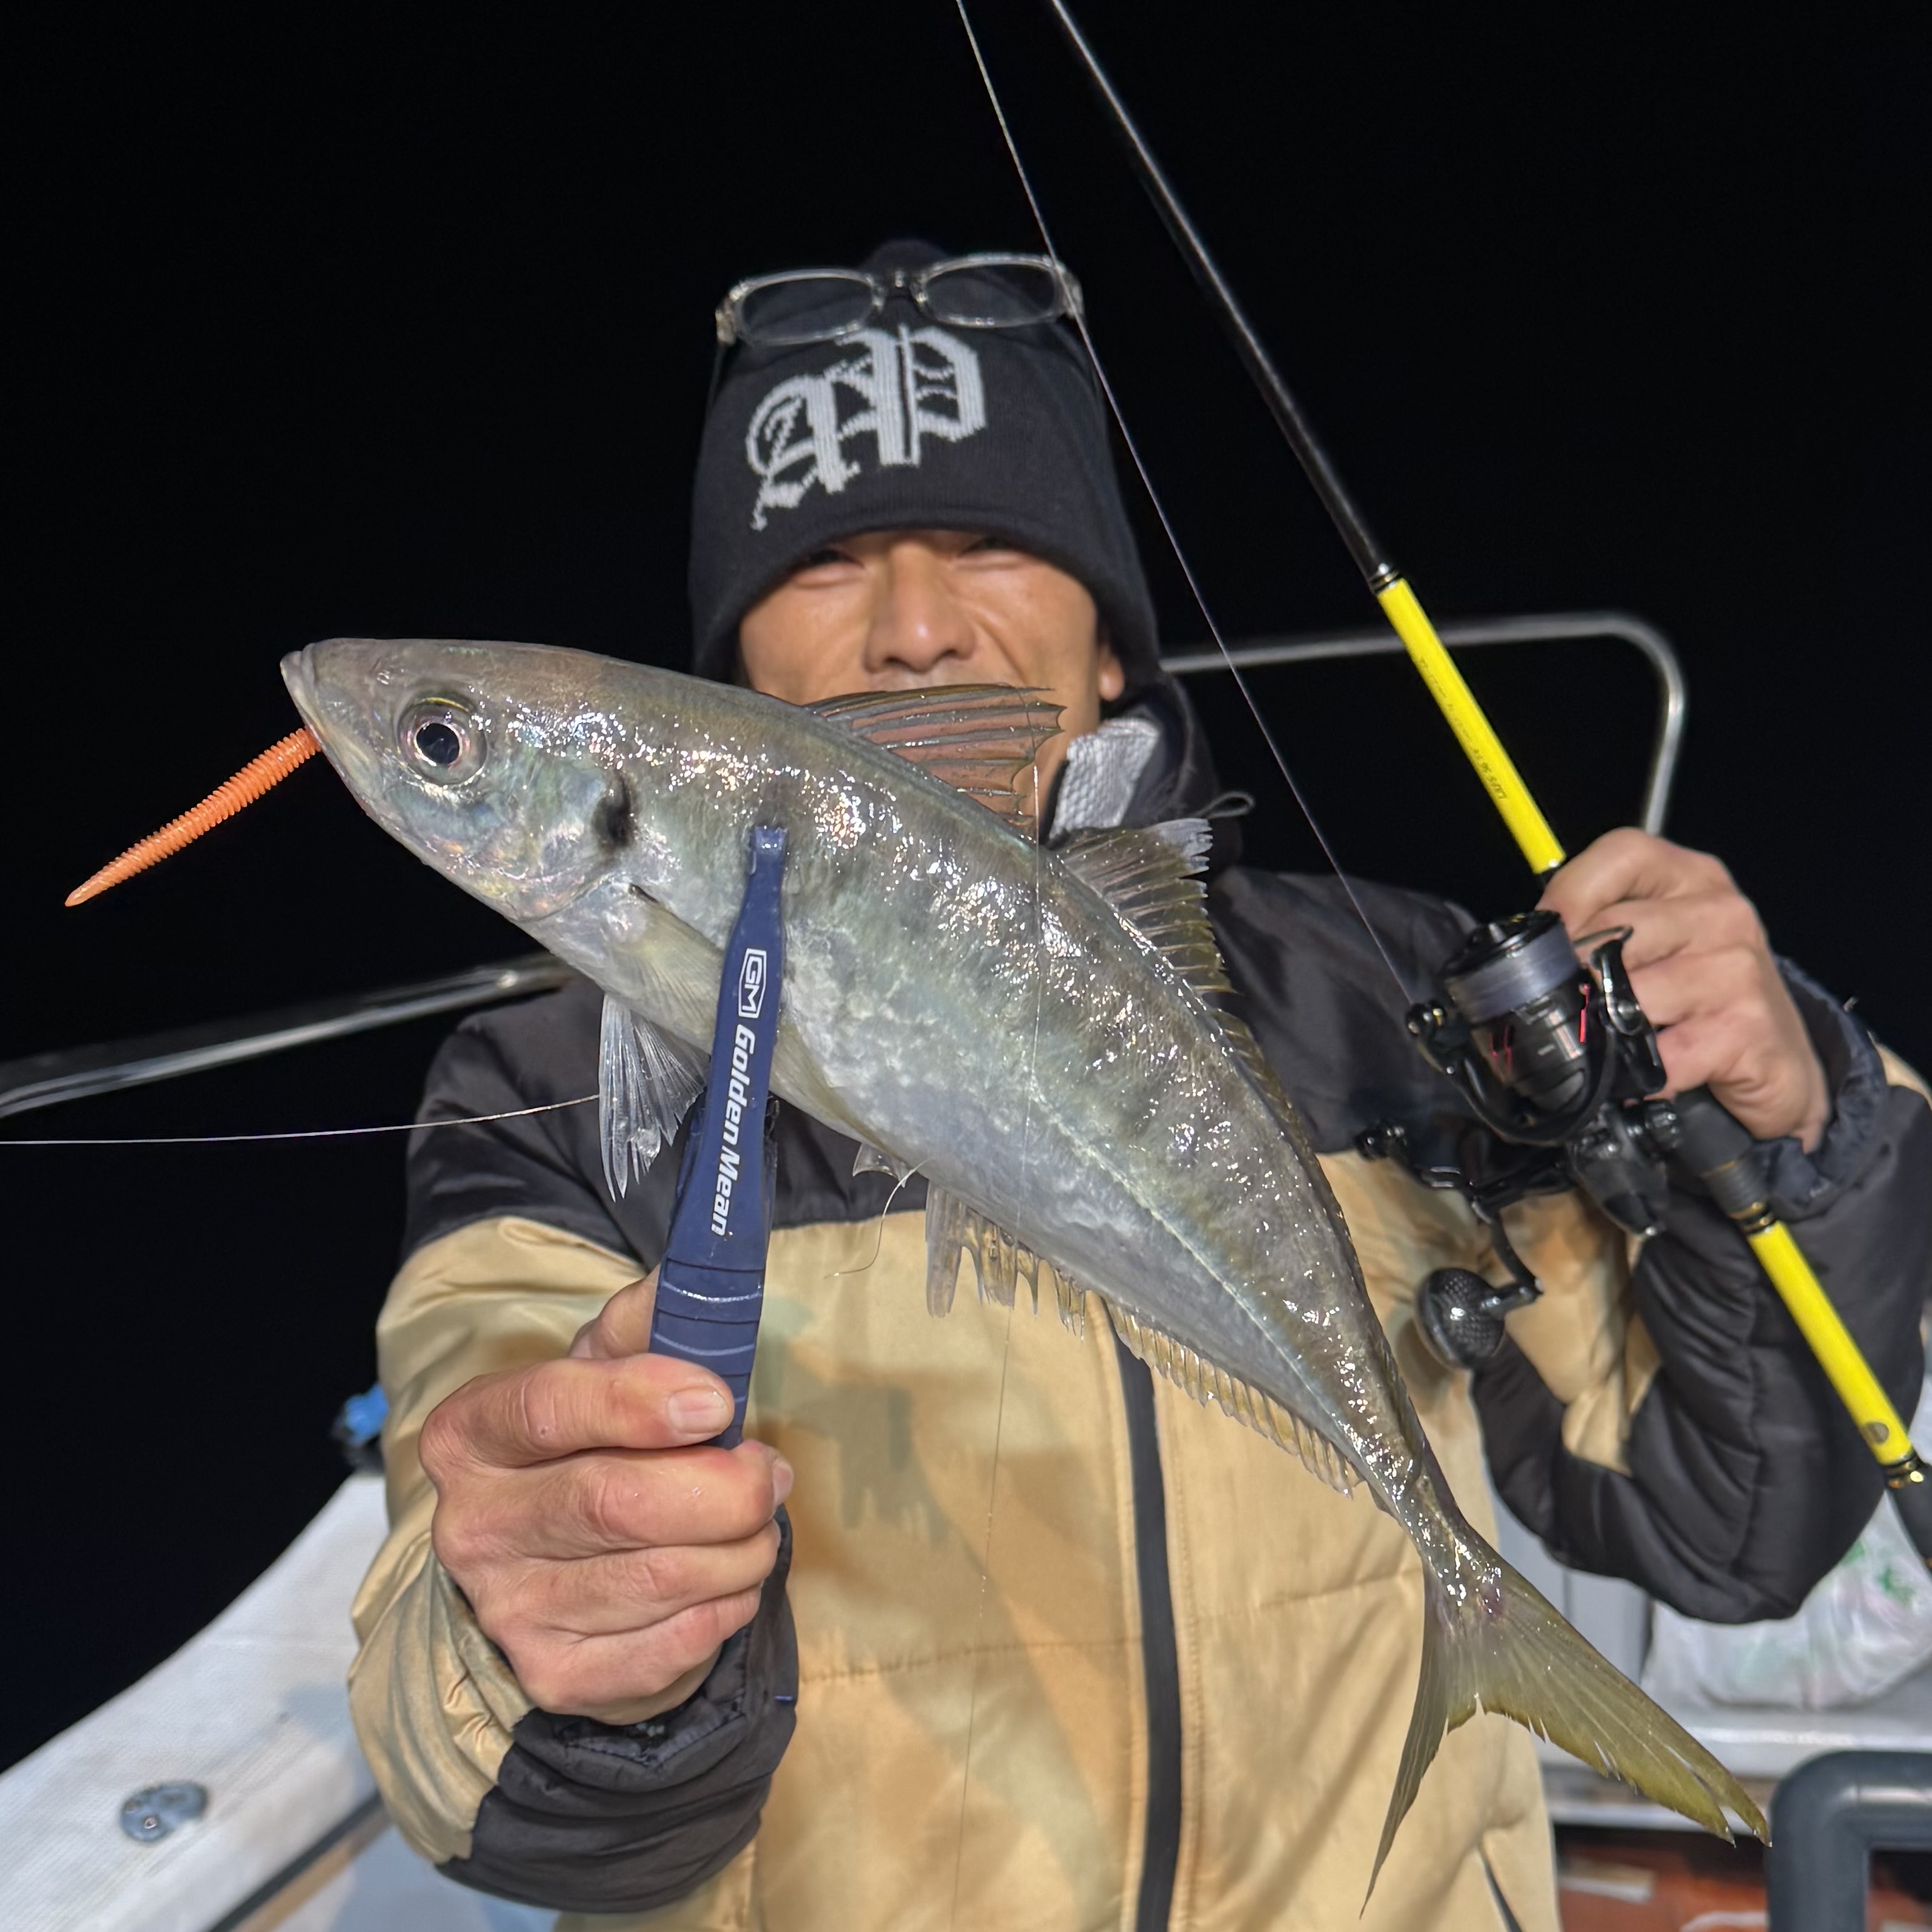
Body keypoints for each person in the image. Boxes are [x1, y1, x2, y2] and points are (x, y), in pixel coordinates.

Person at [347, 241, 1932, 1932]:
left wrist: (1796, 1123)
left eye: (989, 544)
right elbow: (481, 1776)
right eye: (820, 565)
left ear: (1114, 643)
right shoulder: (544, 1089)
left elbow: (1731, 1529)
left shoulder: (1383, 994)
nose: (913, 629)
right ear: (733, 665)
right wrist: (560, 1640)